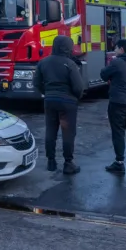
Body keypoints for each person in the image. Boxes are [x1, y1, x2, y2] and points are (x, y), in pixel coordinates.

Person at [34, 35, 85, 174]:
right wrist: (76, 97)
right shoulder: (69, 64)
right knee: (68, 133)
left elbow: (36, 83)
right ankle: (68, 163)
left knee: (50, 131)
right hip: (68, 102)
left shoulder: (43, 62)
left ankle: (51, 162)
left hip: (50, 100)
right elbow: (79, 87)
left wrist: (47, 92)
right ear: (68, 47)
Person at [99, 39, 126, 173]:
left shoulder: (117, 62)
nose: (115, 51)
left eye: (116, 48)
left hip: (118, 102)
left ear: (122, 49)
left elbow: (103, 75)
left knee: (118, 132)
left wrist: (109, 64)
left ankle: (119, 162)